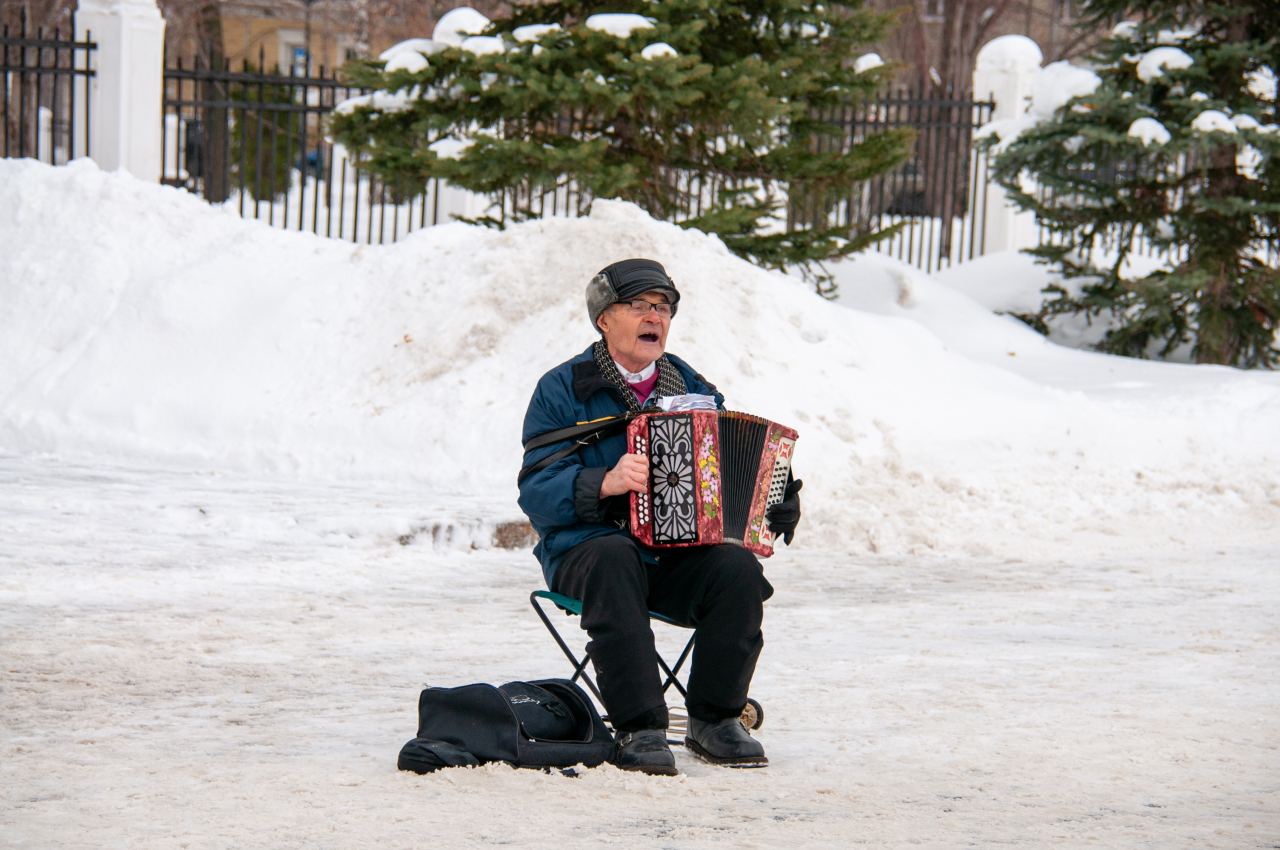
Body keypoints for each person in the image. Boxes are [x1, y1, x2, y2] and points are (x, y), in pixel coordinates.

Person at [517, 258, 802, 776]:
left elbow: (725, 469)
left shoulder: (691, 386)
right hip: (587, 552)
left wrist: (773, 493)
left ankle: (715, 720)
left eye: (664, 307)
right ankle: (640, 725)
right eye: (641, 305)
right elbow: (535, 491)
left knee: (737, 571)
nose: (656, 317)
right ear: (605, 318)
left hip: (673, 554)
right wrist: (603, 482)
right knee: (613, 555)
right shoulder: (562, 388)